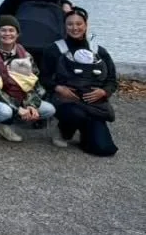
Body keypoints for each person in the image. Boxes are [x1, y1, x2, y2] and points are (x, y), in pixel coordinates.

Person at [0, 15, 57, 145]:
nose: (7, 34)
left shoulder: (26, 56)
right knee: (4, 111)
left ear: (17, 34)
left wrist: (30, 105)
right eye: (3, 30)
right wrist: (18, 108)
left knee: (48, 109)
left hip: (16, 98)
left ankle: (3, 124)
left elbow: (34, 85)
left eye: (11, 30)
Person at [42, 9, 118, 157]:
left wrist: (104, 92)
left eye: (79, 24)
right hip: (64, 100)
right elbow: (43, 77)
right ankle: (63, 130)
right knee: (75, 113)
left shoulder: (98, 50)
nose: (75, 28)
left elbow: (112, 80)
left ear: (86, 25)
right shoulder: (54, 49)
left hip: (93, 104)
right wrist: (58, 88)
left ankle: (86, 133)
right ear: (64, 26)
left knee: (104, 149)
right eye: (70, 24)